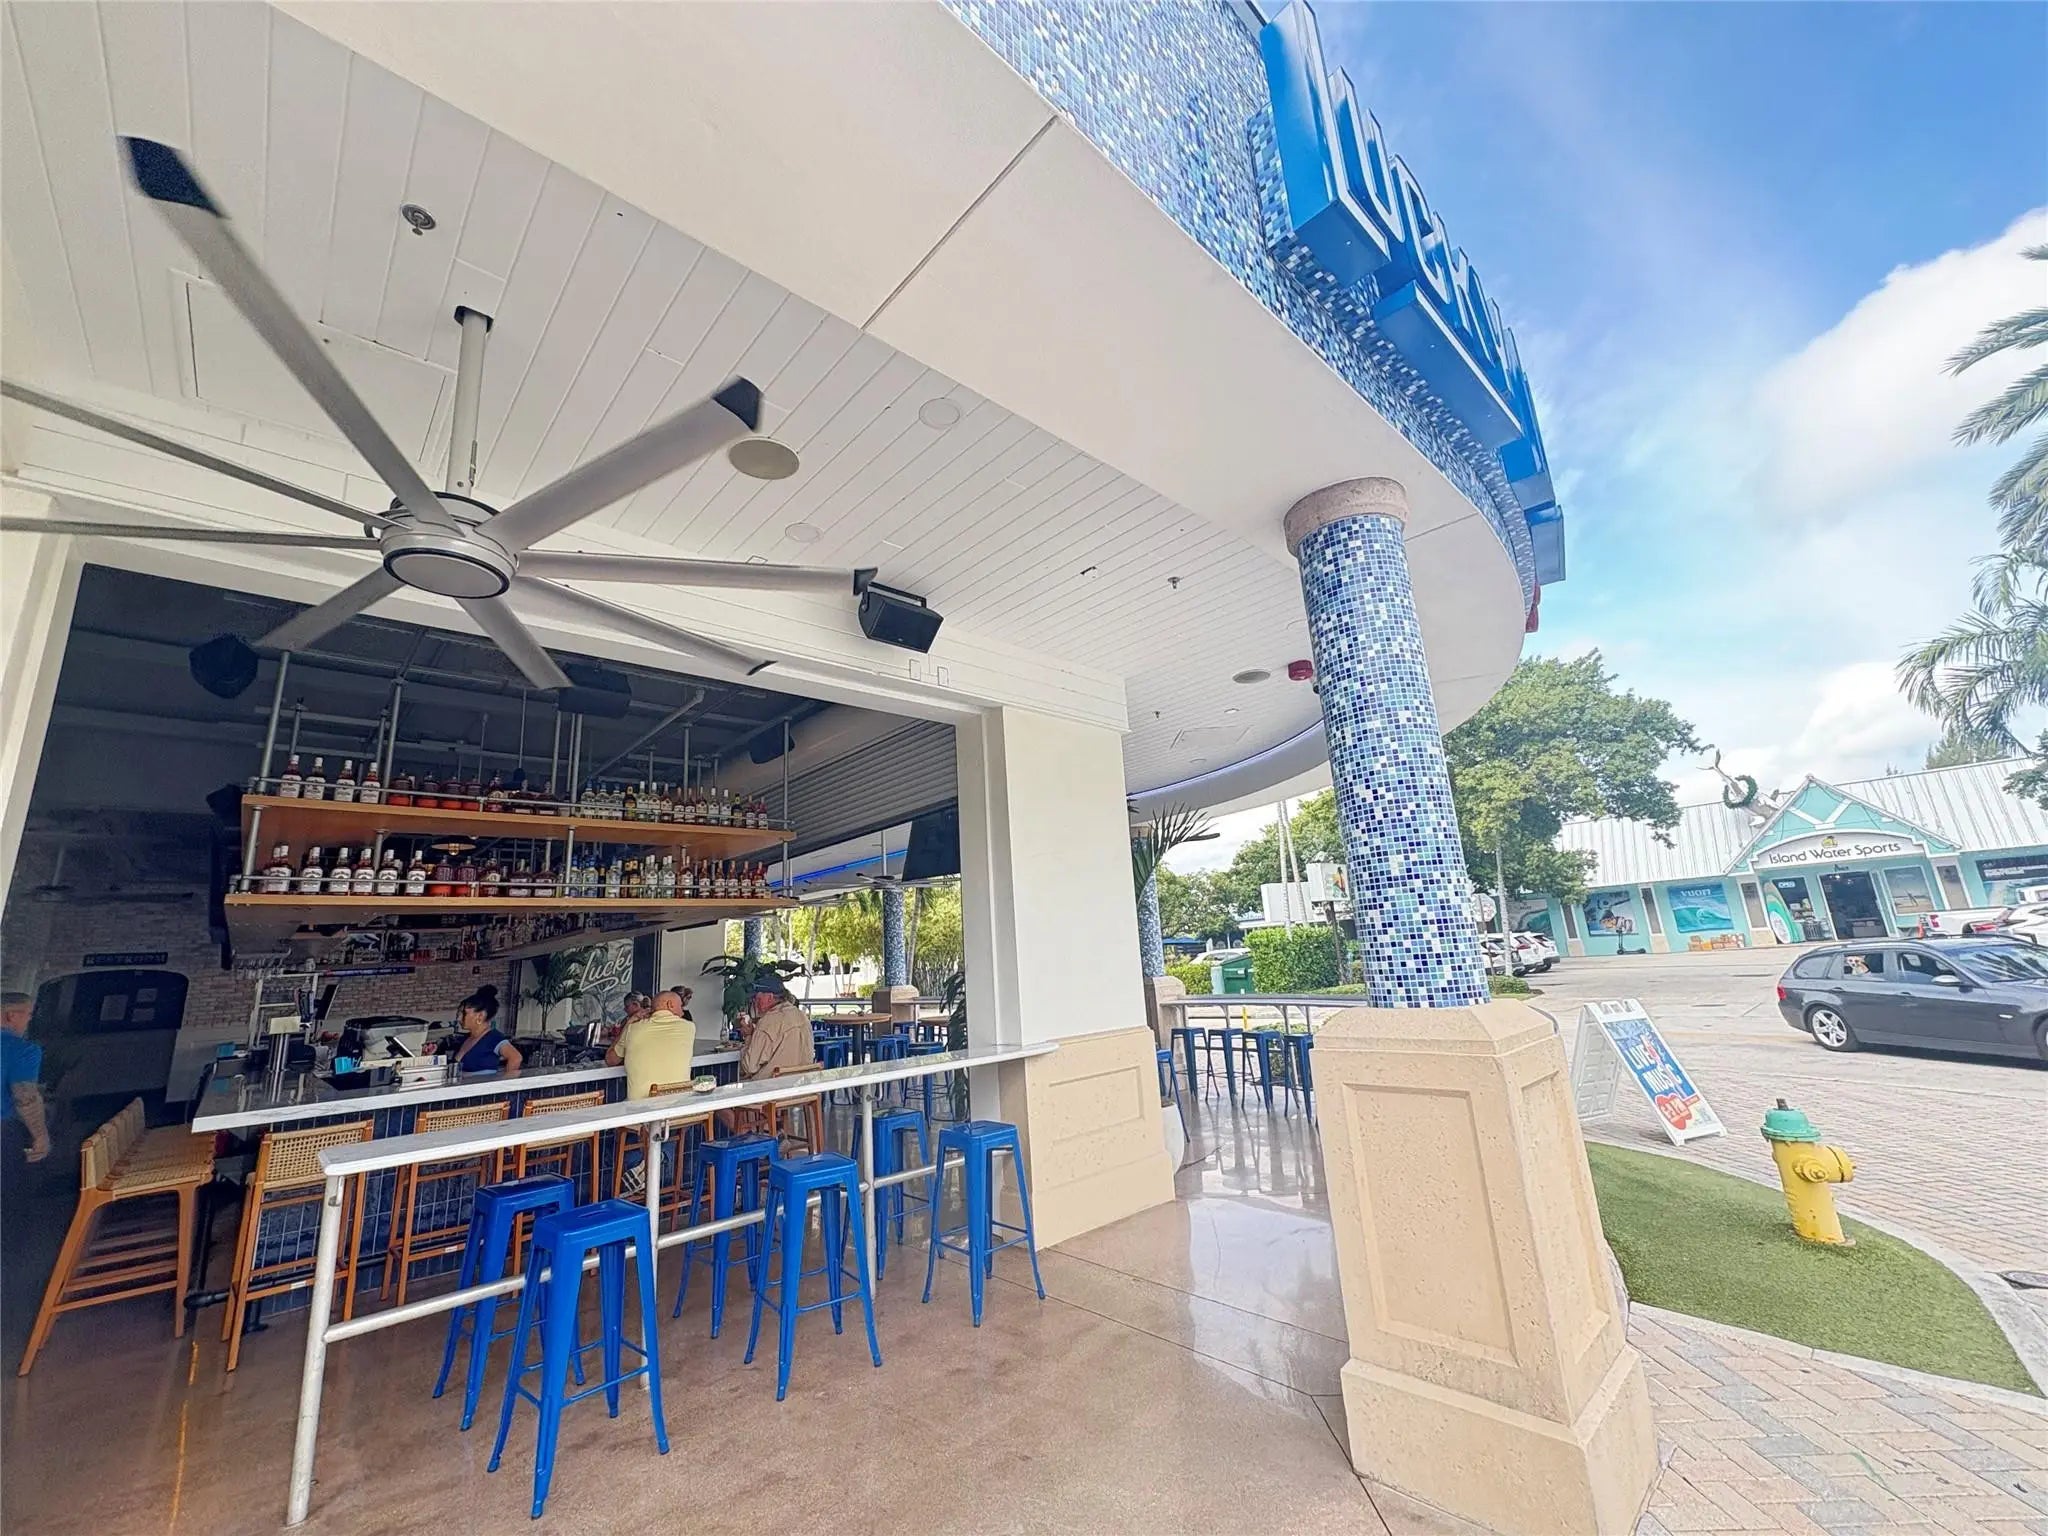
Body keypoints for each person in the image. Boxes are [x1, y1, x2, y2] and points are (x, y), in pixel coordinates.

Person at [607, 990, 698, 1098]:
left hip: (640, 1106)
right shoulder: (689, 1028)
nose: (682, 1012)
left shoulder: (633, 1029)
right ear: (670, 1004)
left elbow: (611, 1060)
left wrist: (629, 1022)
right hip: (679, 1104)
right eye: (680, 1006)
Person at [2, 991, 50, 1164]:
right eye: (28, 1014)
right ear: (11, 1016)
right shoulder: (23, 1050)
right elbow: (24, 1097)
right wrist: (40, 1136)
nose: (29, 1020)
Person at [738, 977, 816, 1081]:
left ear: (770, 997)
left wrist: (748, 1036)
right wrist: (754, 1034)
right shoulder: (801, 1015)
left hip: (772, 1087)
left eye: (757, 998)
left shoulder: (768, 1022)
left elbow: (749, 1067)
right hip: (801, 1085)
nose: (755, 1003)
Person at [447, 985, 520, 1074]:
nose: (458, 1018)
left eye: (464, 1013)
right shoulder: (465, 1039)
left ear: (480, 1016)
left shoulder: (493, 1038)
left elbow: (515, 1058)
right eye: (458, 1014)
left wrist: (506, 1080)